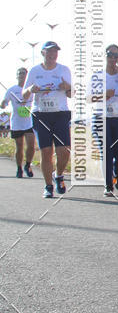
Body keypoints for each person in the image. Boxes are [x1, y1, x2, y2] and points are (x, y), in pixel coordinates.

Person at [22, 41, 71, 198]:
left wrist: (67, 87)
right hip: (41, 114)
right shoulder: (35, 71)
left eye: (55, 52)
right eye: (49, 52)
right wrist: (31, 89)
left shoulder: (64, 70)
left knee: (63, 151)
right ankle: (48, 186)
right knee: (46, 151)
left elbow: (71, 93)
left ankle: (59, 175)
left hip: (60, 113)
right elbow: (24, 94)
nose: (52, 55)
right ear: (43, 53)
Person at [90, 45, 118, 196]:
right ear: (105, 56)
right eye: (110, 54)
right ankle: (108, 185)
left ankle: (116, 172)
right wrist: (103, 95)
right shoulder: (97, 76)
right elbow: (88, 98)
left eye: (116, 55)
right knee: (106, 152)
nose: (113, 58)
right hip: (100, 118)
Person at [1, 67, 36, 177]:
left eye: (24, 73)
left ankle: (28, 165)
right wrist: (3, 104)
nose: (22, 75)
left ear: (27, 75)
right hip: (16, 122)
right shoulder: (12, 89)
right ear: (17, 76)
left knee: (31, 145)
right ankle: (19, 168)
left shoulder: (31, 89)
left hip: (29, 121)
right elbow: (4, 102)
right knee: (19, 146)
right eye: (19, 73)